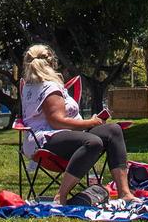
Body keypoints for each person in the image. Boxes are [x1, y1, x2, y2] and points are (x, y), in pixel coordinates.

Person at [19, 44, 140, 204]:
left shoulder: (31, 86)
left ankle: (124, 192)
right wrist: (89, 122)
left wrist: (88, 124)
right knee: (93, 142)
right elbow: (57, 121)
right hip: (46, 140)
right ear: (51, 63)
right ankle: (60, 196)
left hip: (50, 138)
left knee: (113, 130)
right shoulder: (49, 87)